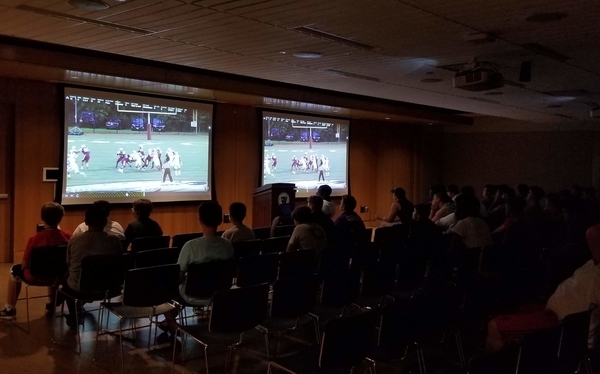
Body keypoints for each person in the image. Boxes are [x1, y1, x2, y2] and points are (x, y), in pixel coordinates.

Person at [485, 223, 600, 352]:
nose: (591, 245)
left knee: (495, 326)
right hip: (553, 314)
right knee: (510, 309)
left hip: (559, 326)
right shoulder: (592, 264)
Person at [159, 202, 234, 339]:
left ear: (200, 220)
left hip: (192, 295)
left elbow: (179, 277)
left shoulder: (191, 246)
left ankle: (172, 324)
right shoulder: (228, 245)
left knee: (163, 286)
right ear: (220, 220)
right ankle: (167, 323)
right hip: (218, 294)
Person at [0, 202, 72, 320]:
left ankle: (9, 309)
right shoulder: (69, 236)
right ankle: (51, 305)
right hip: (60, 276)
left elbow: (25, 265)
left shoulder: (34, 238)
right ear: (60, 218)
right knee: (54, 269)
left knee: (14, 271)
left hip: (36, 276)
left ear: (42, 218)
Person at [62, 205, 123, 327]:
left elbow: (68, 263)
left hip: (80, 289)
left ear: (86, 222)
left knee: (65, 279)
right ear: (106, 221)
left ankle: (74, 315)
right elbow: (119, 263)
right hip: (110, 288)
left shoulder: (75, 240)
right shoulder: (115, 240)